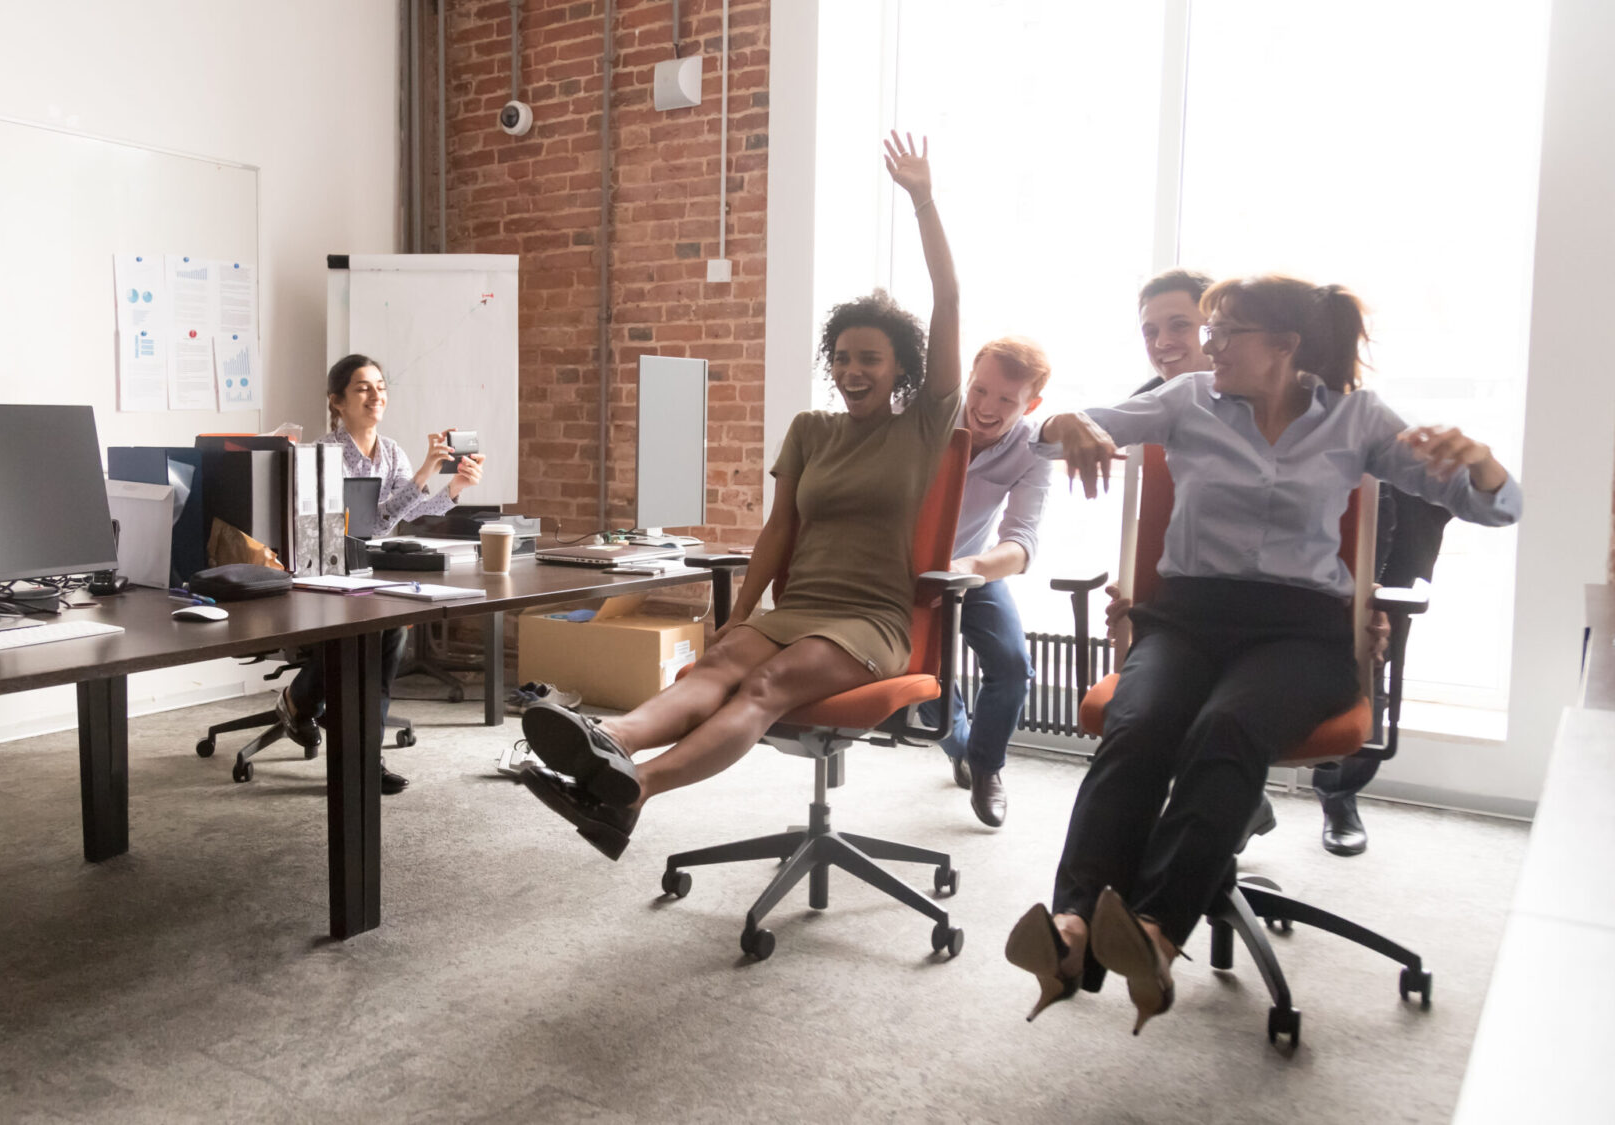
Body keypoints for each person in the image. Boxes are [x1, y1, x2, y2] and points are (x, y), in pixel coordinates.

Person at [1006, 274, 1520, 1034]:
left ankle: (1155, 933)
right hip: (1186, 619)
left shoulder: (1357, 419)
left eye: (1224, 333)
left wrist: (1479, 459)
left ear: (1285, 347)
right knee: (1139, 723)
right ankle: (1075, 927)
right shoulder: (1186, 401)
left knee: (1229, 727)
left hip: (1303, 632)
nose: (1205, 346)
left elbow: (1494, 507)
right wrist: (1065, 424)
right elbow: (1040, 434)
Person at [513, 132, 962, 860]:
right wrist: (742, 614)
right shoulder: (811, 429)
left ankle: (635, 791)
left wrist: (922, 202)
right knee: (721, 664)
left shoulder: (925, 424)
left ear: (900, 367)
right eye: (842, 357)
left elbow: (948, 297)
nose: (852, 370)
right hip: (799, 605)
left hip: (870, 619)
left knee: (768, 684)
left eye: (869, 359)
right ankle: (609, 738)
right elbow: (778, 531)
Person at [1117, 267, 1451, 857]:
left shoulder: (1332, 412)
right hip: (1200, 613)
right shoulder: (1156, 404)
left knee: (1263, 700)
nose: (1164, 342)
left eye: (1183, 326)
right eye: (1149, 331)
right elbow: (1155, 530)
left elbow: (1382, 518)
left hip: (1311, 605)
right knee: (1160, 713)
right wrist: (1133, 590)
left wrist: (1368, 600)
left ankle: (1337, 795)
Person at [274, 353, 484, 794]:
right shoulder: (324, 455)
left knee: (391, 634)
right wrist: (427, 471)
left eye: (381, 386)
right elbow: (373, 522)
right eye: (363, 388)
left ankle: (360, 749)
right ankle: (308, 706)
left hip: (365, 570)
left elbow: (409, 512)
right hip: (326, 570)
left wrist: (453, 490)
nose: (376, 396)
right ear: (337, 402)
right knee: (379, 634)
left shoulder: (390, 451)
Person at [911, 336, 1054, 827]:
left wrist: (971, 569)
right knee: (926, 679)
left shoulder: (1034, 449)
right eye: (980, 390)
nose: (986, 408)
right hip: (903, 571)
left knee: (1013, 666)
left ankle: (986, 767)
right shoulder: (926, 418)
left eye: (1006, 400)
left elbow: (1022, 543)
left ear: (1030, 404)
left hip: (974, 570)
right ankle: (963, 748)